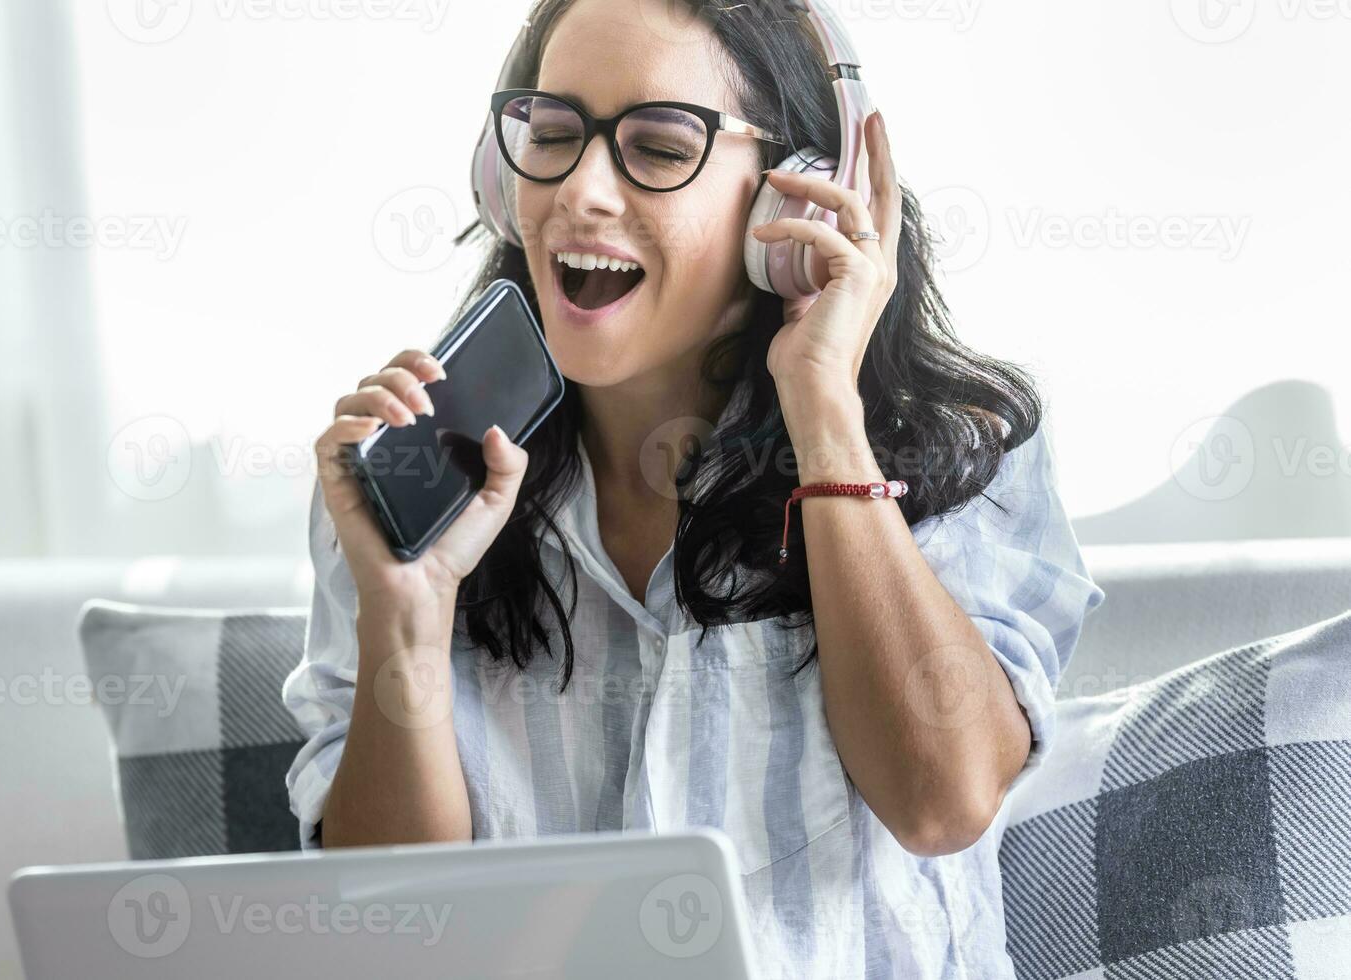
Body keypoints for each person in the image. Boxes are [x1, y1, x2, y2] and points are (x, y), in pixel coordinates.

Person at [286, 1, 1106, 976]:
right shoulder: (407, 478)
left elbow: (943, 800)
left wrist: (823, 405)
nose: (582, 190)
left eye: (658, 147)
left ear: (794, 197)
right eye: (550, 135)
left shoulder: (959, 450)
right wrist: (406, 617)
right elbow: (389, 925)